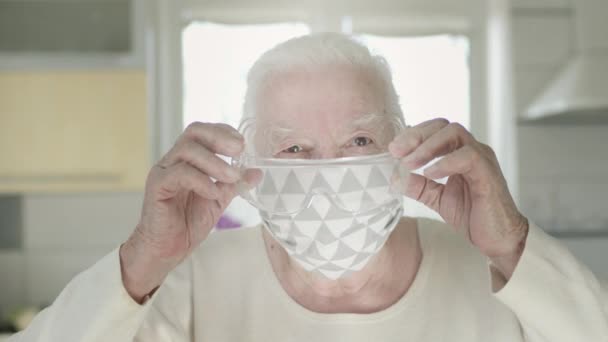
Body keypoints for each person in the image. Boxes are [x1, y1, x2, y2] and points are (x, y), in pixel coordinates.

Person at [10, 33, 608, 341]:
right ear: (250, 168)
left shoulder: (495, 276)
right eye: (294, 150)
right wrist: (140, 261)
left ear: (405, 149)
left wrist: (513, 246)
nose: (329, 176)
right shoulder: (192, 282)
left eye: (359, 143)